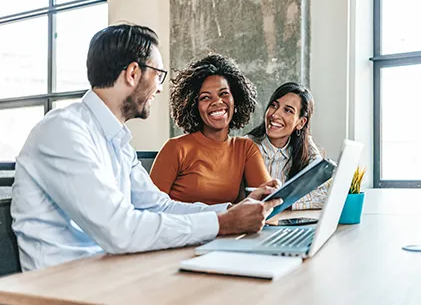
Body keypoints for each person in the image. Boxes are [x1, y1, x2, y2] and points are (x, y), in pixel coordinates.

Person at [11, 24, 281, 271]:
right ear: (132, 73)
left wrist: (232, 210)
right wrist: (223, 224)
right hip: (63, 285)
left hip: (111, 272)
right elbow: (119, 230)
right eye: (158, 75)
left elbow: (158, 206)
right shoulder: (63, 130)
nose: (160, 89)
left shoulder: (117, 140)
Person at [150, 54, 271, 205]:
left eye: (224, 94)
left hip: (229, 228)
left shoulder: (245, 149)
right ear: (194, 107)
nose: (217, 102)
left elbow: (268, 206)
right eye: (206, 97)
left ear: (236, 99)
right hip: (184, 228)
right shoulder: (175, 148)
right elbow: (150, 209)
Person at [248, 82, 330, 210]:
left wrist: (281, 204)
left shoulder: (305, 148)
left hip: (286, 223)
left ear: (301, 122)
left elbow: (324, 194)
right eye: (274, 105)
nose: (275, 115)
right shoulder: (247, 146)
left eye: (287, 110)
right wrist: (291, 199)